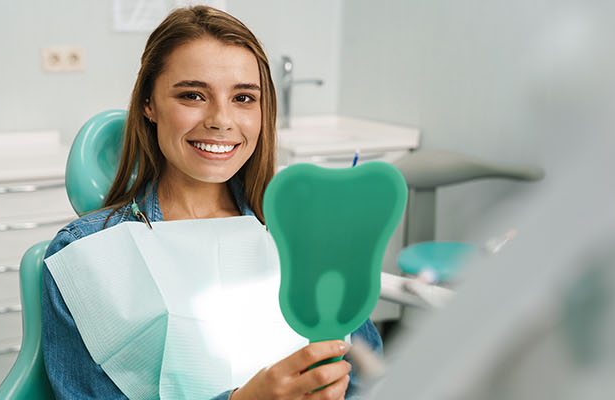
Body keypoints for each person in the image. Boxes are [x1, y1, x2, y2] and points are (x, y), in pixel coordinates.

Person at [41, 6, 384, 400]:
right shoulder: (86, 256)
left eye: (243, 97)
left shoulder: (307, 235)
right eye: (193, 95)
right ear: (149, 104)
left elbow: (370, 379)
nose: (221, 120)